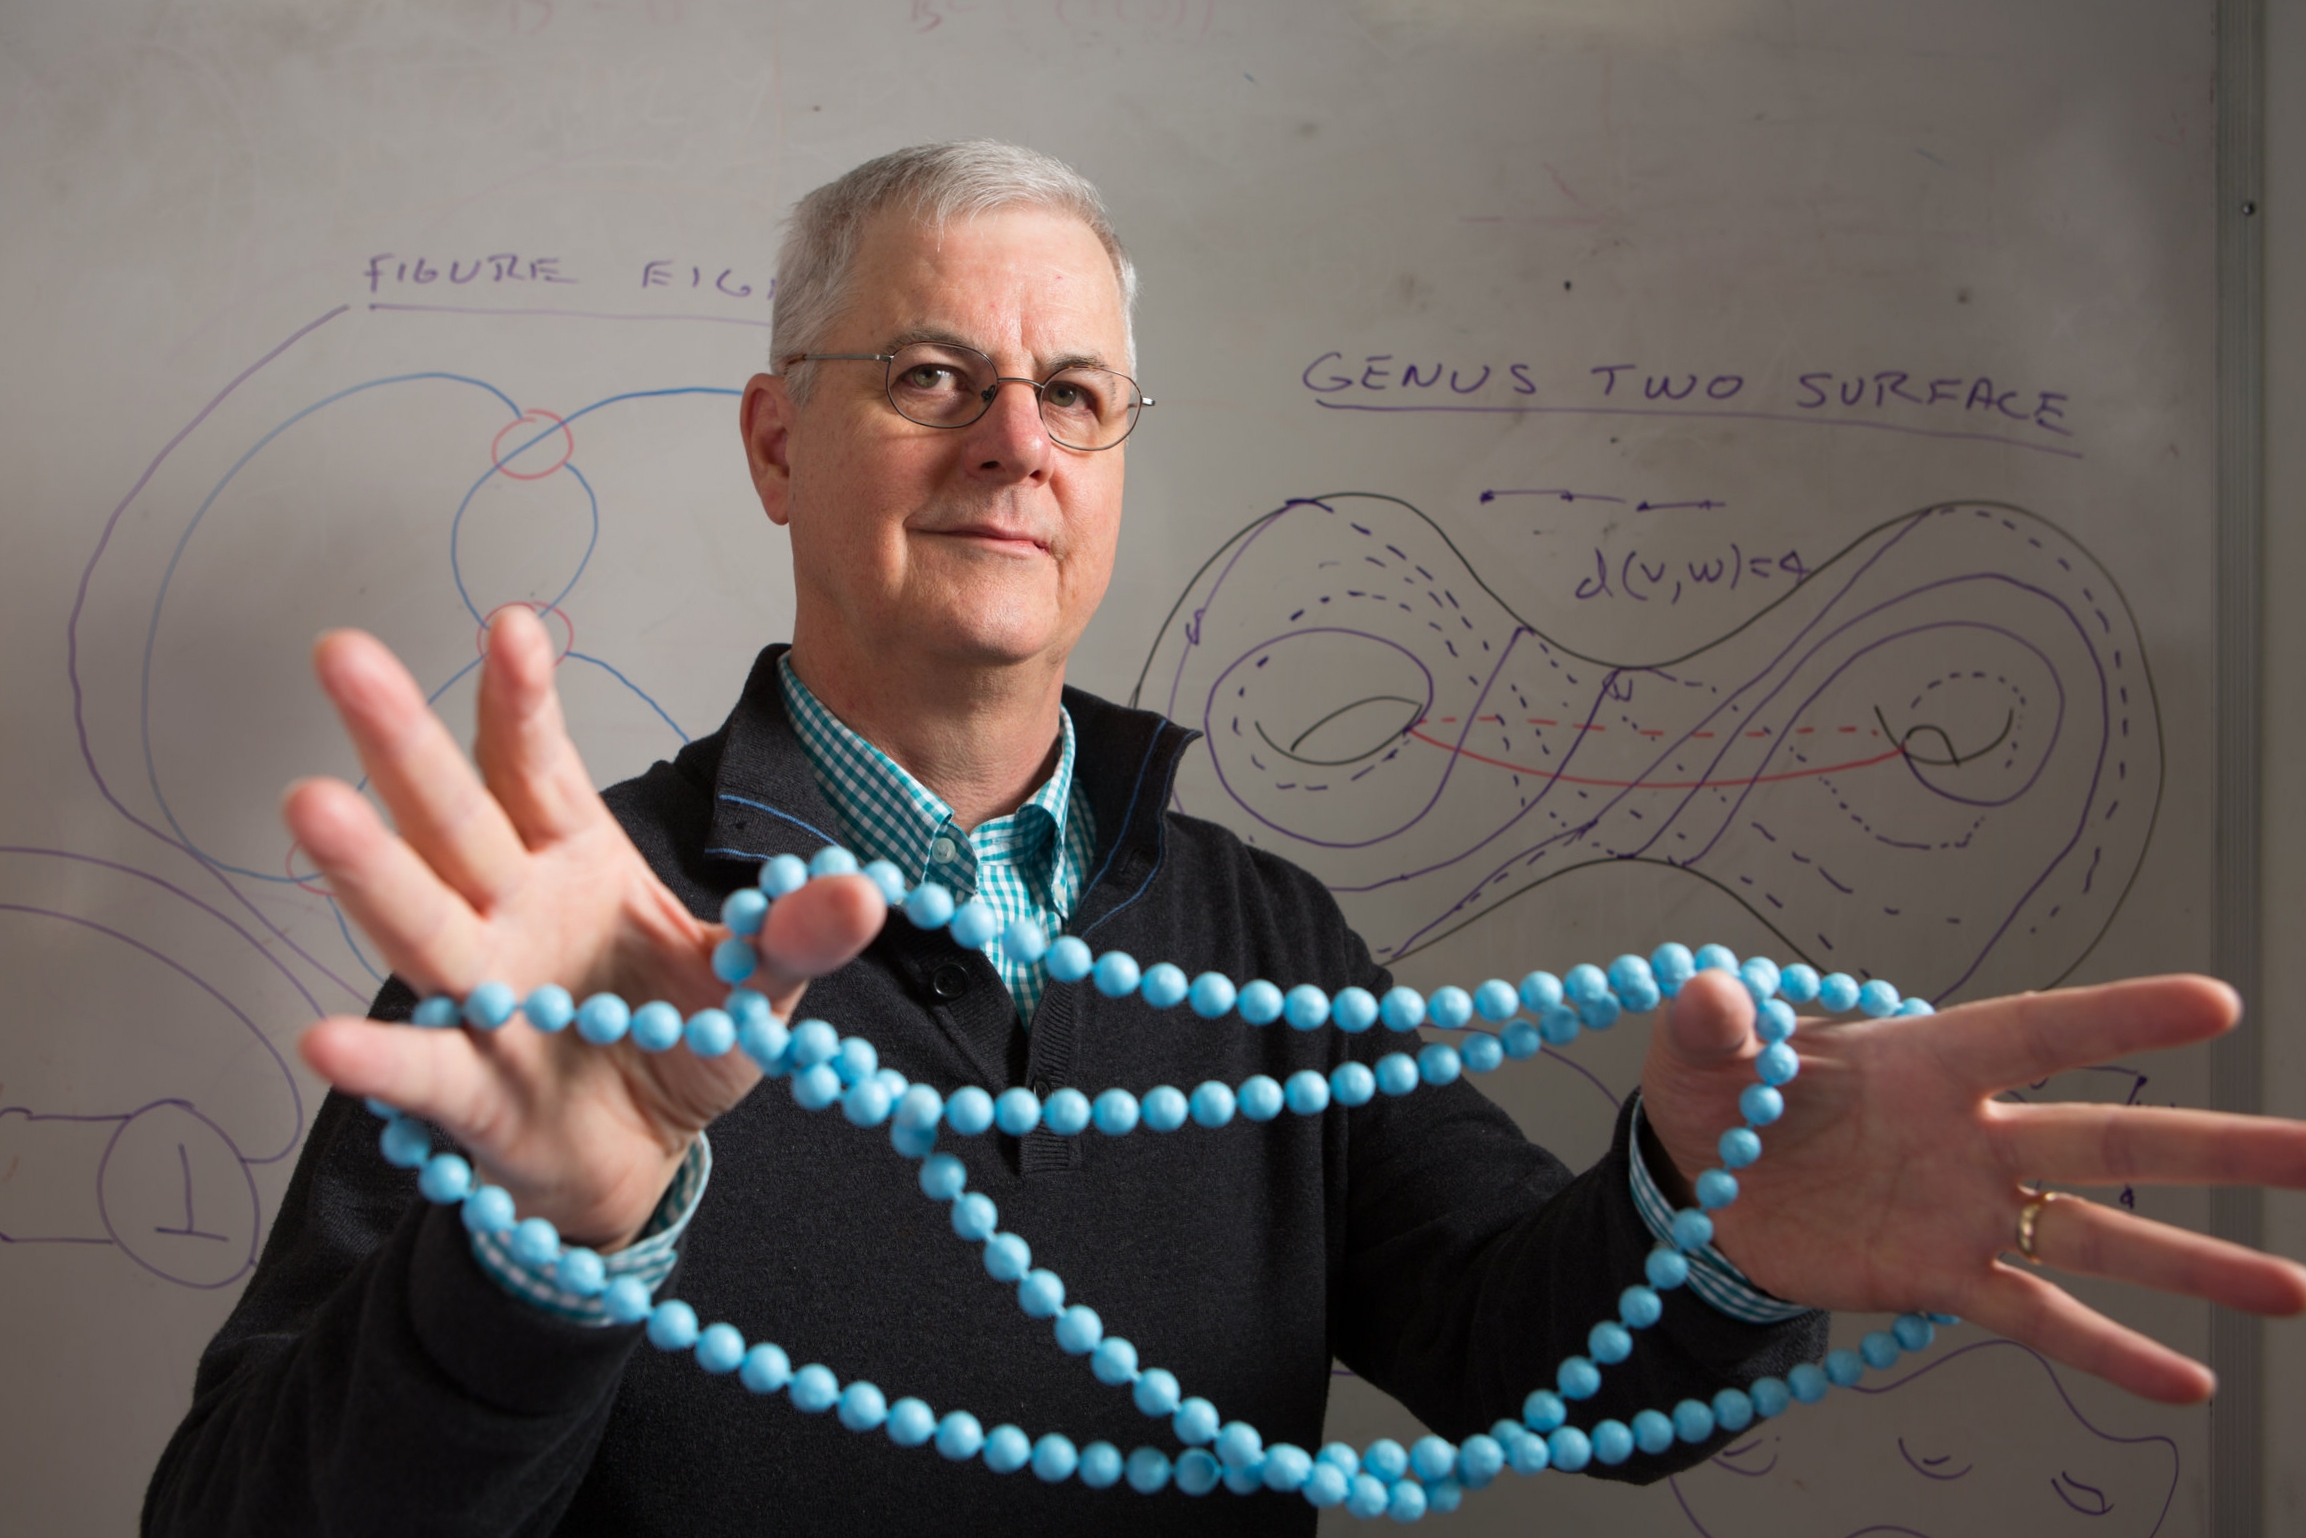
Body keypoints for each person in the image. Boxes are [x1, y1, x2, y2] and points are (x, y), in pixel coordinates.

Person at [144, 142, 2306, 1536]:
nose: (1014, 440)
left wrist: (1715, 1227)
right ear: (778, 439)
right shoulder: (564, 945)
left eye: (1072, 393)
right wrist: (550, 1253)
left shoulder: (1256, 924)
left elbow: (1530, 1354)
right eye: (929, 375)